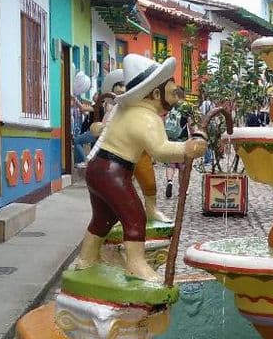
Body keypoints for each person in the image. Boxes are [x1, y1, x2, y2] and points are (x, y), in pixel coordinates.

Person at [75, 55, 207, 282]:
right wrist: (187, 148)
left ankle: (86, 258)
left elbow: (103, 129)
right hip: (113, 171)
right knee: (135, 216)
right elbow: (160, 149)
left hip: (97, 168)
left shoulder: (125, 110)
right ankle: (135, 264)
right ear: (156, 94)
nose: (175, 92)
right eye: (170, 88)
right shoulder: (147, 117)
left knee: (103, 218)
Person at [163, 86, 191, 199]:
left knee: (170, 164)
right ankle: (182, 189)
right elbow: (191, 124)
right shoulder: (186, 107)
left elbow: (165, 121)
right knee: (182, 167)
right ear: (183, 95)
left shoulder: (170, 107)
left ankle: (170, 181)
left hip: (170, 140)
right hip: (182, 140)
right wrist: (194, 136)